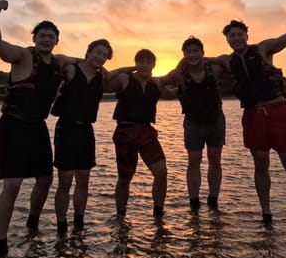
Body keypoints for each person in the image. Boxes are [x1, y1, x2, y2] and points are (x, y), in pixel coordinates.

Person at [213, 0, 286, 231]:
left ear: (246, 34)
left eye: (239, 34)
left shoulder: (263, 49)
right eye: (231, 36)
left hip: (278, 111)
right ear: (227, 40)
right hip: (253, 116)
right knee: (260, 164)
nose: (236, 39)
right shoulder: (226, 60)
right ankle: (266, 212)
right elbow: (195, 60)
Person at [0, 0, 74, 258]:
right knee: (12, 185)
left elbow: (86, 62)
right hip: (13, 124)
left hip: (37, 125)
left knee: (45, 179)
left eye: (51, 36)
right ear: (35, 38)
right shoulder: (24, 55)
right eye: (42, 35)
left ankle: (32, 223)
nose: (46, 39)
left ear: (56, 41)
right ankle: (0, 245)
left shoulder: (59, 61)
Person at [51, 38, 114, 235]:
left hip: (86, 130)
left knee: (84, 178)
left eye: (104, 55)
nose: (100, 57)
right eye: (97, 52)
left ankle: (79, 221)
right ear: (89, 52)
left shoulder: (100, 78)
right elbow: (57, 58)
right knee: (65, 180)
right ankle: (61, 224)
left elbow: (125, 71)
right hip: (66, 128)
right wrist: (82, 61)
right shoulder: (71, 69)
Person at [159, 36, 226, 212]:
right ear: (184, 54)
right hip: (193, 122)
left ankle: (213, 200)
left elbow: (229, 63)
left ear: (203, 53)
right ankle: (194, 201)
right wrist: (169, 93)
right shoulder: (178, 74)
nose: (193, 54)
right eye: (189, 52)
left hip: (215, 120)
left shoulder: (215, 68)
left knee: (215, 160)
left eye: (196, 51)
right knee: (193, 161)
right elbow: (160, 82)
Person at [111, 49, 168, 219]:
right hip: (125, 131)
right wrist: (127, 69)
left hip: (146, 131)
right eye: (140, 61)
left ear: (154, 65)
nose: (144, 64)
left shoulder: (155, 84)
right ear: (135, 64)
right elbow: (106, 78)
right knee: (124, 178)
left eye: (148, 62)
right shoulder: (125, 79)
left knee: (161, 172)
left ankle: (158, 213)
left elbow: (171, 93)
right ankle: (121, 215)